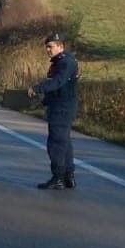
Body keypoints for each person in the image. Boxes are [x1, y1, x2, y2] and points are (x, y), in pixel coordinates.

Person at [27, 32, 79, 189]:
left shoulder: (65, 63)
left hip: (62, 107)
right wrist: (45, 101)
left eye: (51, 47)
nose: (48, 50)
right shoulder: (59, 63)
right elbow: (57, 87)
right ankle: (68, 176)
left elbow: (58, 82)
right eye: (47, 47)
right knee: (64, 142)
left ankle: (58, 178)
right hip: (60, 104)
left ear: (60, 46)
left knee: (56, 143)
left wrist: (37, 89)